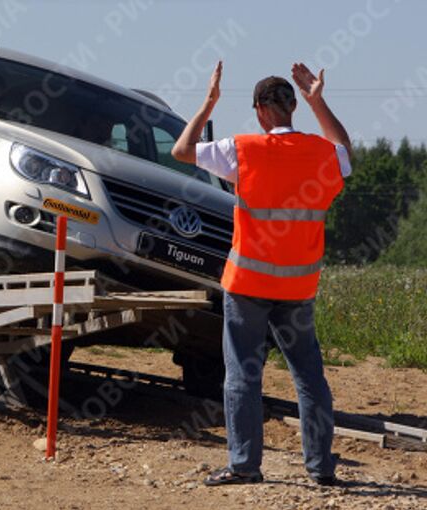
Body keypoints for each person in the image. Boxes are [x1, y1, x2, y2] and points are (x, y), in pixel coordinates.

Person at [171, 61, 352, 486]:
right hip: (298, 285)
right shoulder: (322, 154)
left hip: (248, 284)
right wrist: (319, 102)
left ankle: (245, 466)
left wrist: (208, 102)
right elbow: (345, 151)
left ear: (259, 111)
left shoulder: (243, 150)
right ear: (293, 107)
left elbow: (182, 150)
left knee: (242, 377)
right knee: (308, 377)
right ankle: (321, 469)